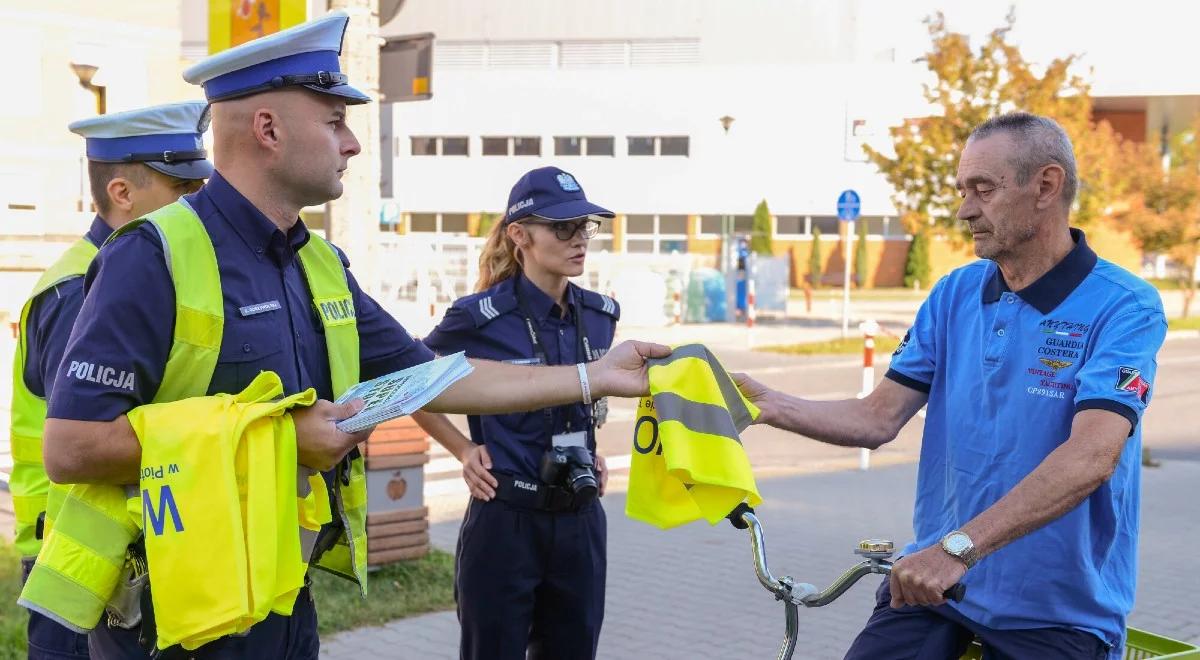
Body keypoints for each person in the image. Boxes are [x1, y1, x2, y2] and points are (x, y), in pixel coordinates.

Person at [39, 12, 666, 659]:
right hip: (174, 618)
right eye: (335, 121)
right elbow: (71, 446)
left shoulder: (319, 264)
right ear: (269, 130)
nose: (353, 144)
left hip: (282, 602)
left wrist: (596, 375)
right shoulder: (153, 254)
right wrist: (282, 442)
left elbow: (436, 375)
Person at [733, 112, 1166, 660]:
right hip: (936, 591)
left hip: (1057, 614)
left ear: (1046, 186)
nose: (965, 210)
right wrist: (767, 403)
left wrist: (959, 548)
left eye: (983, 189)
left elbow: (1092, 456)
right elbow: (876, 418)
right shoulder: (955, 293)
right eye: (963, 190)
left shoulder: (1124, 305)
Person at [9, 101, 212, 660]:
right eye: (184, 191)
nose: (200, 205)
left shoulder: (128, 273)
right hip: (78, 562)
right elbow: (89, 439)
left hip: (109, 553)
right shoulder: (85, 288)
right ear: (122, 193)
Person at [413, 166, 619, 660]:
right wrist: (462, 448)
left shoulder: (601, 315)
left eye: (585, 227)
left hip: (580, 518)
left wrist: (593, 452)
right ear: (519, 235)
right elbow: (412, 384)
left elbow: (585, 398)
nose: (579, 240)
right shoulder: (479, 316)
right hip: (506, 521)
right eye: (562, 227)